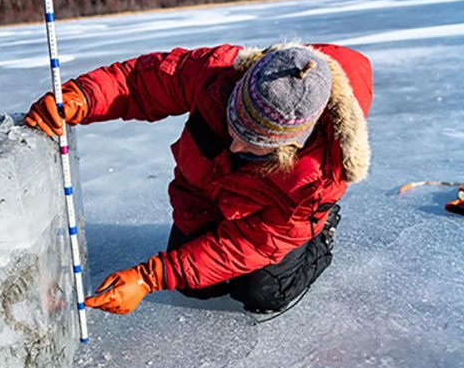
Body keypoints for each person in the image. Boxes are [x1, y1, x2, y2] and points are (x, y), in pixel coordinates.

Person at [25, 42, 372, 315]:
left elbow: (252, 243)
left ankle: (320, 235)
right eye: (233, 123)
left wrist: (150, 277)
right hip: (211, 194)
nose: (235, 143)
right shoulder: (219, 74)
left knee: (261, 291)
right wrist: (82, 97)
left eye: (253, 143)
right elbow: (141, 81)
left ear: (290, 145)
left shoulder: (318, 177)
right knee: (196, 286)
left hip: (271, 225)